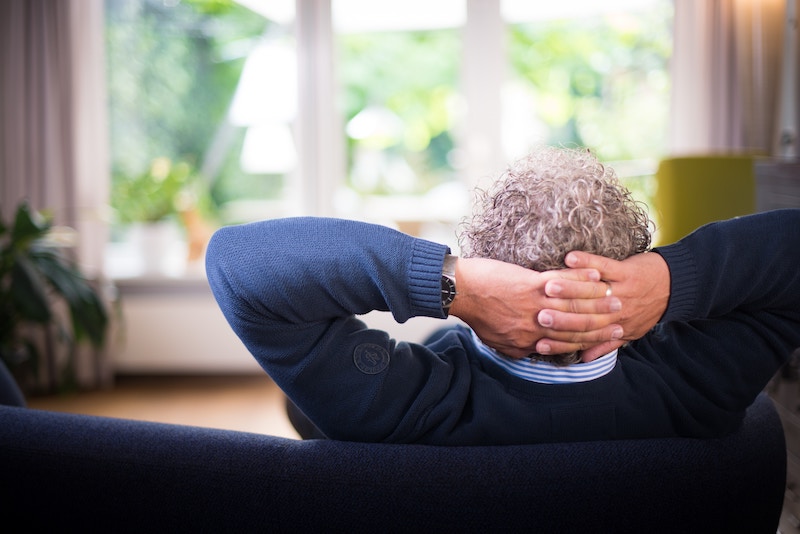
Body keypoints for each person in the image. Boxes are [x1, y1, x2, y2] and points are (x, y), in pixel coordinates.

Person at [206, 146, 800, 445]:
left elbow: (237, 263)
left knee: (304, 405)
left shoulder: (403, 410)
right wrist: (672, 281)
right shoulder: (697, 389)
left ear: (486, 266)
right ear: (629, 269)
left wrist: (452, 286)